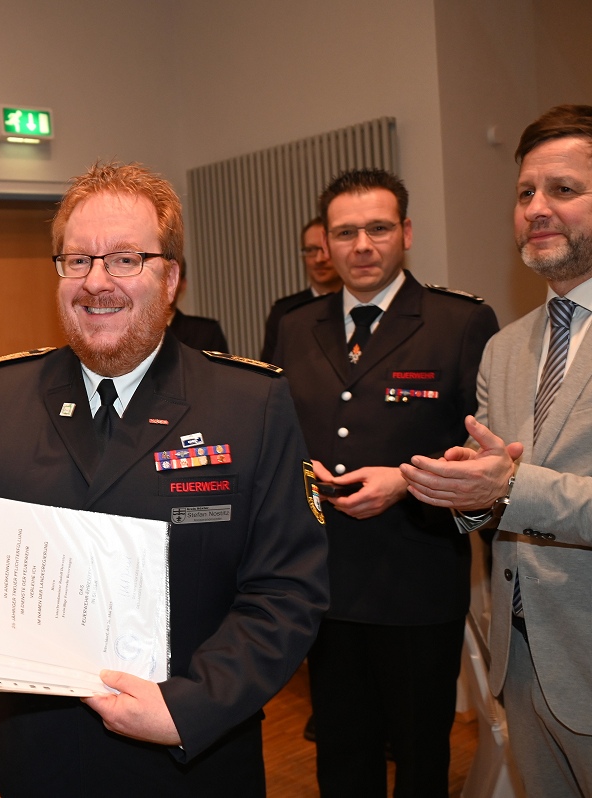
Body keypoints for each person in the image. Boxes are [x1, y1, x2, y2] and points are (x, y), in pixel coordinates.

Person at [0, 161, 329, 796]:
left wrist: (188, 707)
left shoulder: (249, 404)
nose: (97, 282)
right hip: (34, 762)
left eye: (125, 259)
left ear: (170, 278)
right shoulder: (1, 396)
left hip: (191, 762)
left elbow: (287, 590)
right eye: (78, 260)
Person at [271, 168, 499, 797]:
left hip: (416, 576)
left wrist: (404, 478)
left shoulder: (458, 321)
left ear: (406, 232)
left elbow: (487, 451)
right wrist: (302, 472)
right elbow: (278, 433)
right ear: (326, 242)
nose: (363, 246)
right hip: (325, 581)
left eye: (378, 228)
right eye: (346, 233)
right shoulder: (296, 325)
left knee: (421, 756)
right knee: (342, 753)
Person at [402, 104, 592, 796]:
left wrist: (507, 486)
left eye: (563, 190)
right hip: (523, 664)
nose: (537, 208)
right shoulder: (505, 347)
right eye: (524, 193)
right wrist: (463, 489)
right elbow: (494, 489)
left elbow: (516, 485)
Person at [260, 216, 342, 363]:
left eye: (326, 249)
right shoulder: (284, 312)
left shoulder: (359, 305)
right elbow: (269, 370)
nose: (319, 259)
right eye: (310, 250)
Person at [168, 254, 230, 351]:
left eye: (172, 278)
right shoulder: (142, 329)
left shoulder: (206, 333)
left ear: (183, 284)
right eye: (161, 276)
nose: (167, 285)